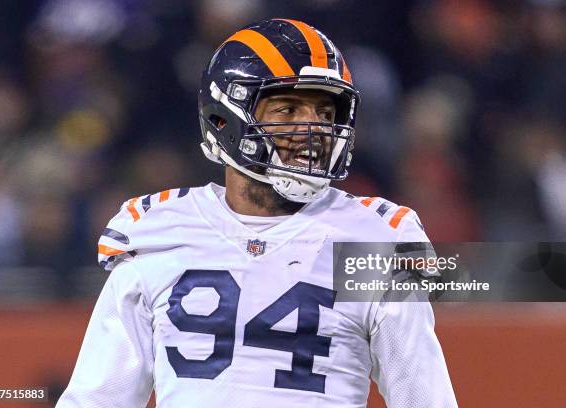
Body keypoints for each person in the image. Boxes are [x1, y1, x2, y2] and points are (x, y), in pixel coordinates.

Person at [57, 19, 457, 407]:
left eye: (324, 113)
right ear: (223, 119)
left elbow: (424, 397)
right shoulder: (159, 230)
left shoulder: (370, 238)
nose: (314, 130)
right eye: (287, 110)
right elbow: (97, 398)